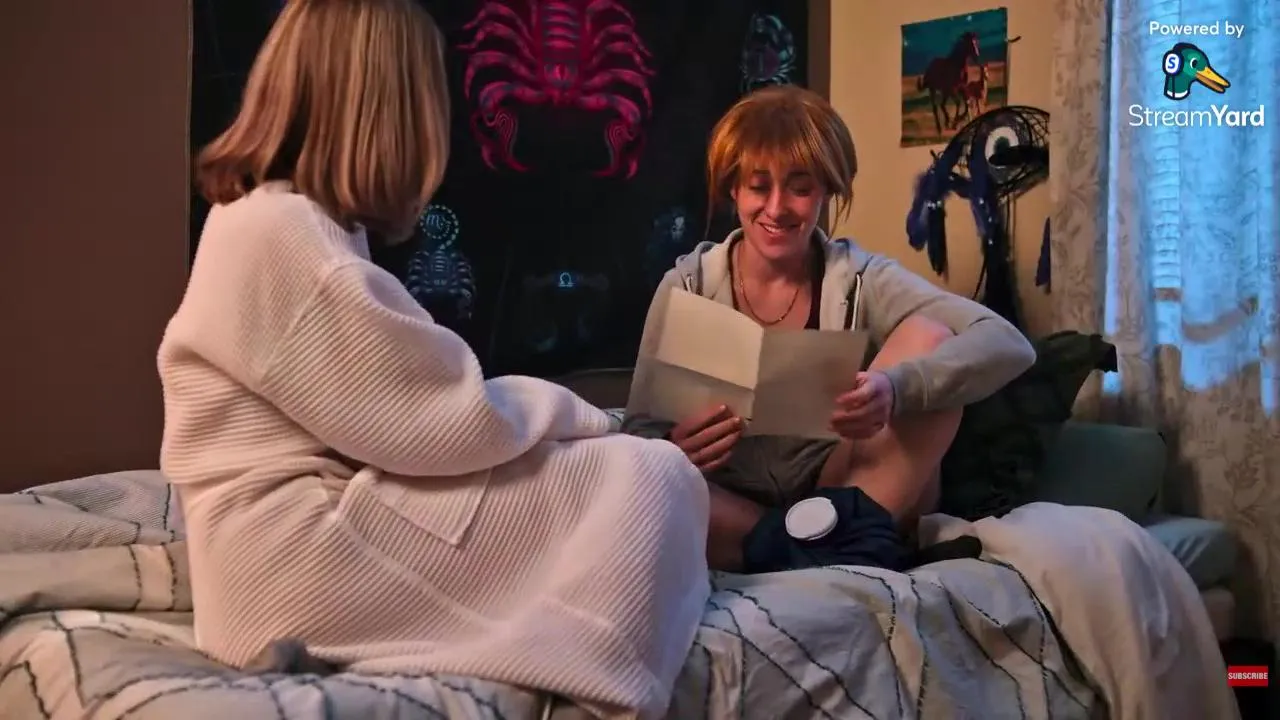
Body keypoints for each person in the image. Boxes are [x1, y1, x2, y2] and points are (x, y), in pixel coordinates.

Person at [158, 1, 709, 717]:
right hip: (292, 569)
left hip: (272, 560)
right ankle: (595, 668)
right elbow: (441, 421)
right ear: (386, 107)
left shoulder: (275, 221)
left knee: (616, 470)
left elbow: (399, 412)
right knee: (647, 473)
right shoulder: (285, 232)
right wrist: (590, 418)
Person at [624, 85, 1035, 573]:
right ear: (734, 189)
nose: (777, 208)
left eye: (800, 188)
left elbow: (1008, 343)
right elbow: (638, 439)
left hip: (844, 491)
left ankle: (814, 544)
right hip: (731, 508)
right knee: (636, 482)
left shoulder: (863, 277)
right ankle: (823, 552)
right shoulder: (686, 284)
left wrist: (895, 389)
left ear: (827, 190)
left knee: (930, 336)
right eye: (758, 186)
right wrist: (675, 449)